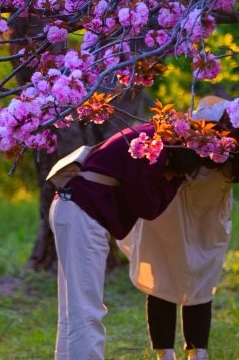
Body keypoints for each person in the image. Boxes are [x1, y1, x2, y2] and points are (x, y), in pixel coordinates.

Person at [119, 98, 239, 360]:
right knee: (161, 275)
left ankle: (198, 352)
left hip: (209, 214)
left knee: (201, 277)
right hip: (171, 206)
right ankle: (164, 353)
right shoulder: (205, 117)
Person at [50, 122, 205, 360]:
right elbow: (146, 204)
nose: (164, 177)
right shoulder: (154, 148)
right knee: (86, 311)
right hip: (82, 214)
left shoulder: (149, 134)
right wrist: (175, 182)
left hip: (70, 208)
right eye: (168, 172)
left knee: (73, 310)